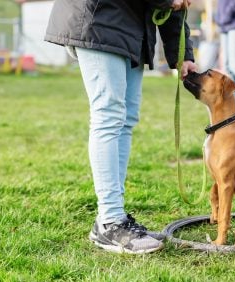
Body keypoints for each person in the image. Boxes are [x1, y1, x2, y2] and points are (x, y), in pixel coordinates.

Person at [45, 0, 197, 254]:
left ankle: (114, 218)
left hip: (129, 27)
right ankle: (110, 221)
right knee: (108, 116)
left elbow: (175, 7)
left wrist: (182, 54)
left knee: (125, 120)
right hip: (98, 18)